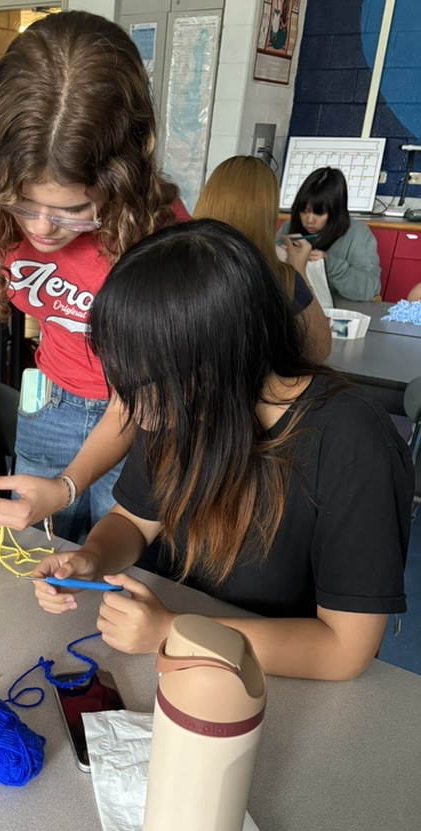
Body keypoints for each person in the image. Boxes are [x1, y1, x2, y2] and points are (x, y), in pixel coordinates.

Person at [32, 220, 413, 682]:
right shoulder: (183, 401)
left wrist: (174, 630)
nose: (139, 417)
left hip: (277, 679)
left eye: (145, 389)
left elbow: (343, 649)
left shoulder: (352, 442)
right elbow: (134, 520)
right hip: (189, 662)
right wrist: (91, 558)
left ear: (219, 363)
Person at [0, 10, 186, 541]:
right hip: (49, 401)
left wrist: (69, 485)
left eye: (74, 210)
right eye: (21, 204)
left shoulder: (161, 234)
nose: (43, 229)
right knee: (33, 562)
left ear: (120, 180)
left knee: (118, 575)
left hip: (144, 420)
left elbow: (136, 401)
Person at [192, 155, 331, 360]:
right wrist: (298, 272)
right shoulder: (279, 278)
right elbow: (319, 350)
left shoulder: (172, 263)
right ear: (267, 213)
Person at [276, 166, 381, 302]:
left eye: (319, 213)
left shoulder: (358, 233)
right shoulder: (290, 227)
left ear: (336, 213)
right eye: (304, 210)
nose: (309, 220)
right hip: (294, 305)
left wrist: (330, 265)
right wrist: (280, 255)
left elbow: (369, 289)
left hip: (339, 308)